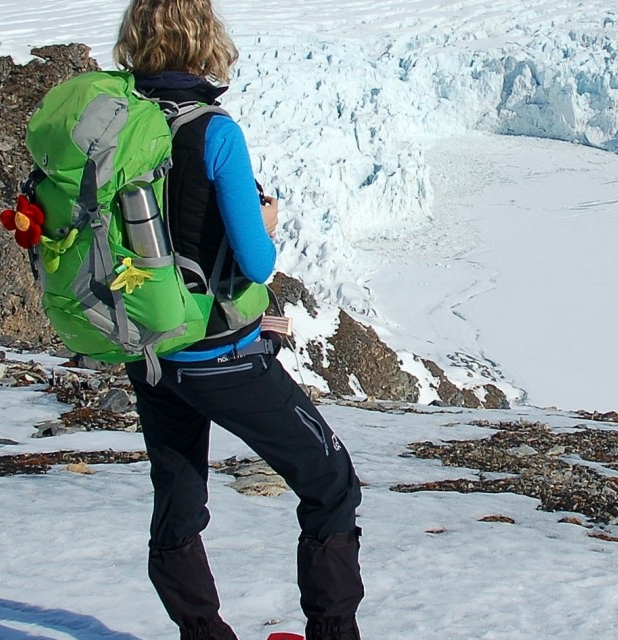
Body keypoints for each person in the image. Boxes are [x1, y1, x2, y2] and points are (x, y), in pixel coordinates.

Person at [112, 1, 364, 638]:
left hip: (148, 349)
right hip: (218, 354)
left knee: (177, 494)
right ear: (204, 42)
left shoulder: (113, 125)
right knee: (330, 482)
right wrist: (268, 223)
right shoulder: (213, 131)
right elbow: (254, 261)